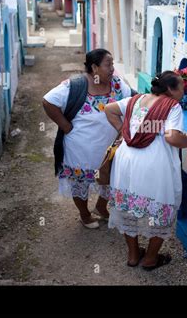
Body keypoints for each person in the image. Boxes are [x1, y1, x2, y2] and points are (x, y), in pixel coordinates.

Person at [104, 71, 187, 269]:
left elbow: (109, 109)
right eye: (181, 86)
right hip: (153, 162)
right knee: (161, 207)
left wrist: (125, 131)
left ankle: (133, 255)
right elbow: (172, 137)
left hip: (126, 158)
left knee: (128, 206)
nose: (184, 89)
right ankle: (150, 258)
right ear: (170, 90)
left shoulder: (136, 99)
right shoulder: (173, 106)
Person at [42, 49, 132, 229]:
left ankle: (100, 206)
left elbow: (130, 103)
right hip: (80, 150)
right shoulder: (75, 86)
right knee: (81, 182)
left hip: (109, 149)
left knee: (111, 178)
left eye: (113, 64)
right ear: (94, 67)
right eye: (108, 65)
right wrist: (66, 126)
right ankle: (84, 215)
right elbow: (48, 101)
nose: (112, 69)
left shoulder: (117, 85)